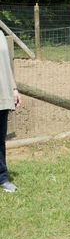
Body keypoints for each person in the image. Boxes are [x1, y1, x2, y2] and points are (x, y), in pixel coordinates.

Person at [0, 31, 21, 193]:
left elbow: (6, 64)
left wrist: (14, 89)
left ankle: (2, 178)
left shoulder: (0, 34)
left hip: (3, 94)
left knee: (0, 140)